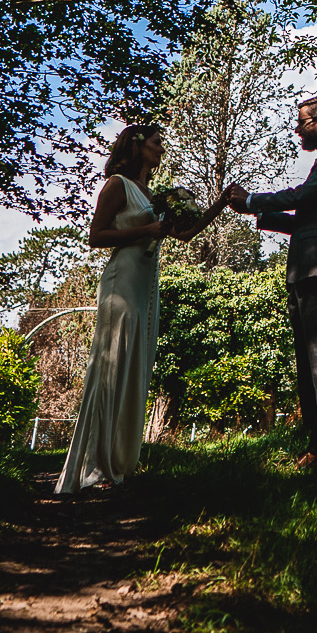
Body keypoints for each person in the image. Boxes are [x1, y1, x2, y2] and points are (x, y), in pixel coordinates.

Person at [55, 123, 228, 495]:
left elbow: (183, 233)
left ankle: (117, 460)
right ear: (137, 147)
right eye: (156, 142)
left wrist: (220, 204)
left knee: (135, 365)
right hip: (121, 282)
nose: (162, 148)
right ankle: (94, 463)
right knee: (113, 364)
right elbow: (95, 236)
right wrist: (146, 231)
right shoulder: (118, 185)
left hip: (147, 285)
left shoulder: (151, 194)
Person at [226, 94, 317, 467]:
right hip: (304, 271)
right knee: (307, 363)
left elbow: (303, 197)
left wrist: (254, 199)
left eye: (300, 122)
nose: (296, 129)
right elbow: (307, 217)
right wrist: (259, 214)